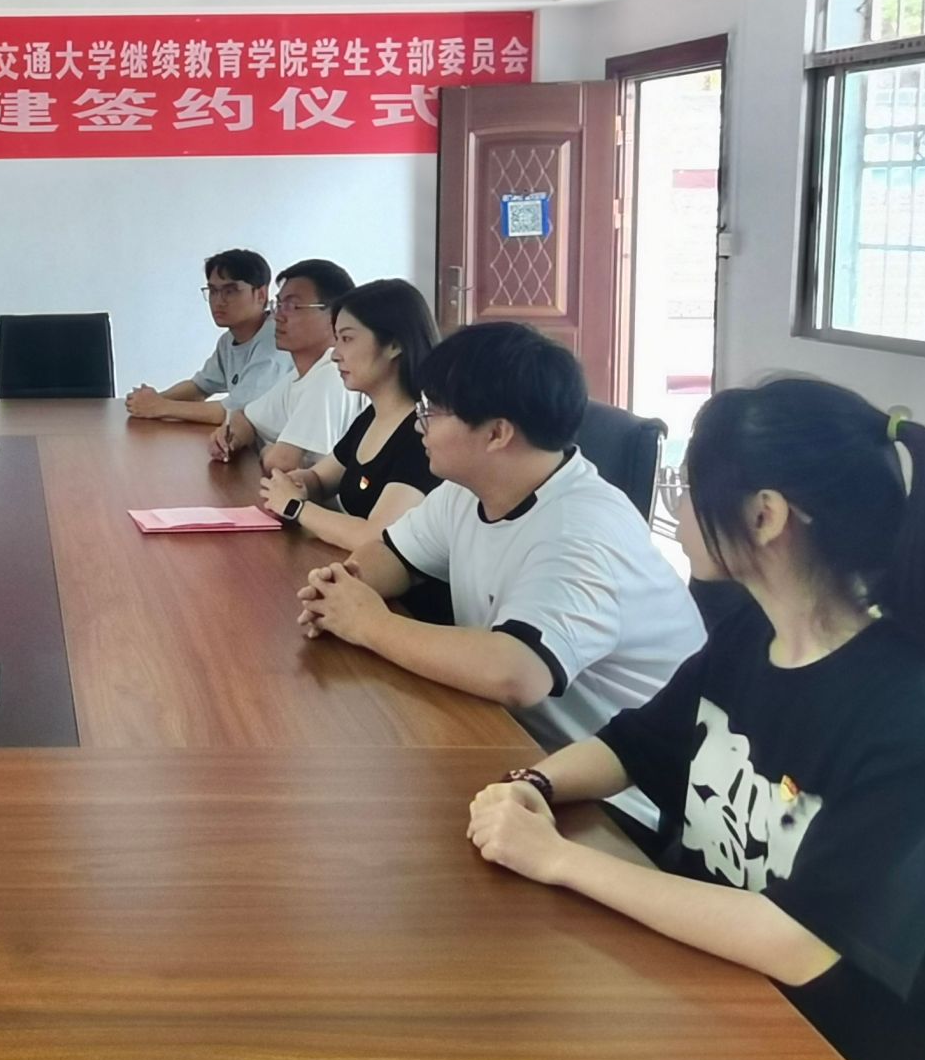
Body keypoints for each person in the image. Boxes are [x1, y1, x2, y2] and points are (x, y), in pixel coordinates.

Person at [465, 379, 925, 1060]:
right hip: (716, 978)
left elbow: (800, 944)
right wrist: (535, 785)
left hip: (844, 1048)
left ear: (764, 516)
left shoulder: (913, 721)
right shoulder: (753, 632)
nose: (680, 510)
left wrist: (559, 859)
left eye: (689, 489)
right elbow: (637, 743)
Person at [297, 321, 703, 829]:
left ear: (497, 433)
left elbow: (517, 673)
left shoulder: (581, 530)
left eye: (431, 411)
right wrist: (344, 588)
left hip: (621, 805)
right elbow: (392, 555)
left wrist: (368, 624)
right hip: (523, 752)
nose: (419, 425)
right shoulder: (467, 490)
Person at [259, 278, 441, 549]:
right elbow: (320, 479)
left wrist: (296, 507)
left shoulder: (423, 434)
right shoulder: (372, 417)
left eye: (347, 339)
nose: (335, 355)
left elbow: (376, 537)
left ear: (394, 345)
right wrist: (297, 483)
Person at [207, 259, 360, 475]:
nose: (278, 317)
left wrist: (266, 450)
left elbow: (282, 463)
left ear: (335, 317)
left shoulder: (331, 374)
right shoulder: (299, 375)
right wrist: (230, 438)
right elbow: (245, 417)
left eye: (292, 306)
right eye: (278, 305)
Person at [125, 248, 287, 426]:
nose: (218, 301)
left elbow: (235, 412)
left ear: (261, 294)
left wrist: (160, 406)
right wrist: (152, 399)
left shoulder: (276, 340)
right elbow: (199, 388)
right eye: (213, 291)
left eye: (230, 291)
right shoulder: (228, 340)